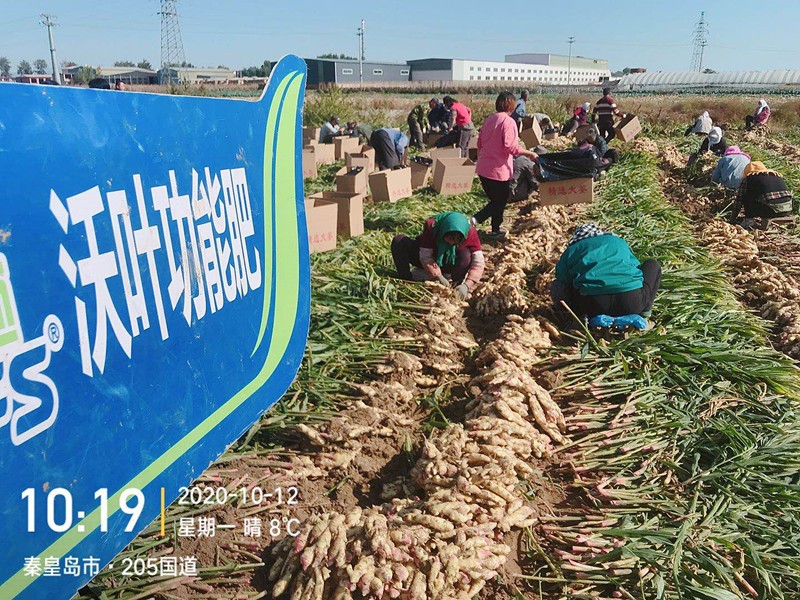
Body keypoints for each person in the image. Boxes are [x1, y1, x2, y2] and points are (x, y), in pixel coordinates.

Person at [551, 224, 662, 319]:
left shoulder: (572, 249)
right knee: (653, 264)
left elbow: (562, 279)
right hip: (631, 302)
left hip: (592, 305)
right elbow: (636, 267)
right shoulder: (617, 241)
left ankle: (571, 316)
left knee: (558, 285)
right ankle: (644, 312)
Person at [472, 92, 539, 237]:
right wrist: (529, 153)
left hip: (483, 168)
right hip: (498, 170)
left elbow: (479, 143)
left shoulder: (489, 119)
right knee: (499, 201)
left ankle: (495, 229)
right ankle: (475, 219)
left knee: (497, 201)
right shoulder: (508, 122)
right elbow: (510, 147)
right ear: (511, 105)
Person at [391, 211, 485, 301]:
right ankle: (406, 280)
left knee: (466, 254)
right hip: (429, 259)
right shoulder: (432, 226)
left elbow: (478, 263)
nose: (451, 243)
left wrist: (467, 285)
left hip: (450, 263)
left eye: (455, 241)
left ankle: (456, 285)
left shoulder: (470, 233)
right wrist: (437, 275)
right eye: (448, 240)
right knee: (399, 241)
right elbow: (426, 255)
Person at [729, 161, 793, 226]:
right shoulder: (776, 175)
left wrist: (733, 218)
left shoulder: (749, 179)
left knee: (747, 195)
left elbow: (739, 200)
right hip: (788, 209)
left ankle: (749, 220)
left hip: (770, 211)